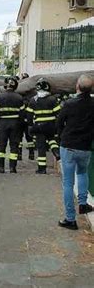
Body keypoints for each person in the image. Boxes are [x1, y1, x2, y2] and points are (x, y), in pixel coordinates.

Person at [57, 74, 94, 230]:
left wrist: (61, 138)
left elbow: (59, 123)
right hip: (85, 147)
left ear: (77, 86)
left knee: (68, 183)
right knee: (83, 174)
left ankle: (70, 219)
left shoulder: (69, 104)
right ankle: (83, 204)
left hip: (69, 146)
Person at [26, 78, 61, 174]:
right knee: (52, 139)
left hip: (38, 127)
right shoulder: (53, 99)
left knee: (41, 147)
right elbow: (59, 113)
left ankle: (42, 168)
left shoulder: (33, 100)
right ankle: (56, 151)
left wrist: (30, 126)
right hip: (50, 125)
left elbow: (29, 115)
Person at [0, 76, 25, 173]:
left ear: (6, 85)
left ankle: (0, 167)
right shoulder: (19, 98)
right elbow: (22, 114)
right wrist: (21, 126)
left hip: (3, 124)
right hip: (15, 124)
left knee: (1, 145)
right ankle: (12, 168)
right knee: (14, 146)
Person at [18, 73, 35, 161]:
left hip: (21, 119)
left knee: (20, 137)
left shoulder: (19, 92)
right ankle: (31, 154)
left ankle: (19, 154)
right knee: (29, 137)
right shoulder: (32, 94)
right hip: (28, 119)